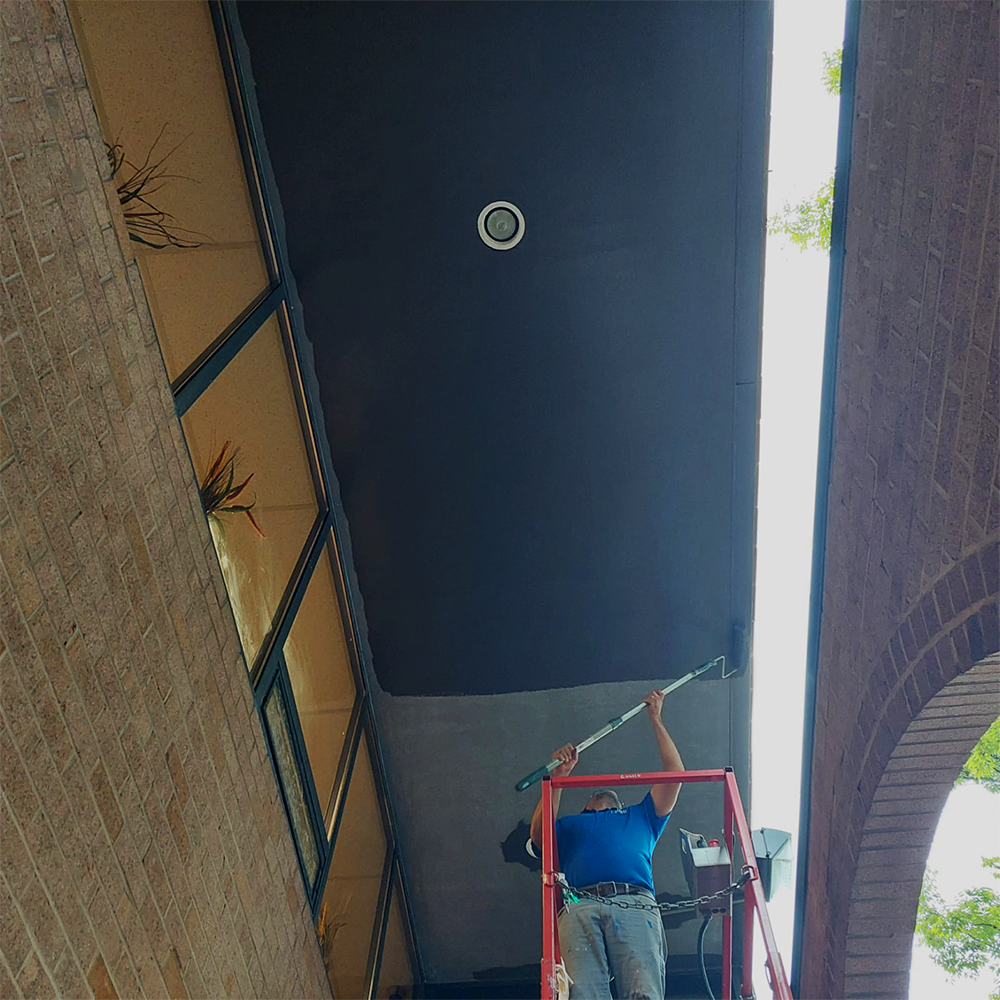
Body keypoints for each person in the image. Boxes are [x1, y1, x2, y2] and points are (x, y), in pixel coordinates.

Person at [529, 690, 682, 1000]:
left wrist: (656, 719)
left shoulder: (640, 816)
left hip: (634, 903)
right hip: (580, 905)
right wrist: (559, 777)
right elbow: (538, 837)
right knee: (584, 994)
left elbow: (675, 775)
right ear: (587, 804)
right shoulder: (572, 824)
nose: (604, 794)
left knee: (643, 992)